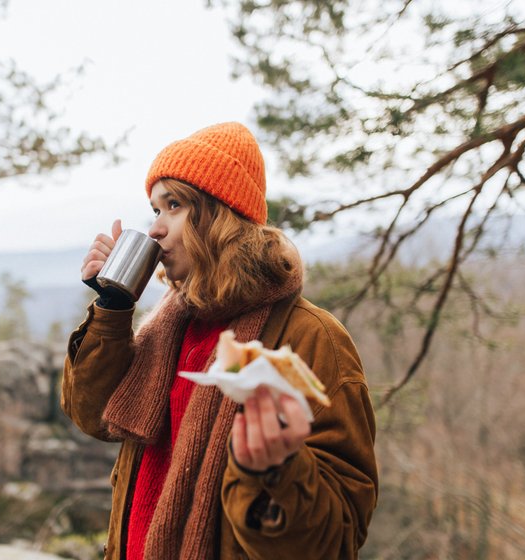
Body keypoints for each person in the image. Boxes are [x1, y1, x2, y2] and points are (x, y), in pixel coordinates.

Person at [62, 122, 378, 559]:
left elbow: (335, 538)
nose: (155, 229)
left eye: (173, 205)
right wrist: (112, 309)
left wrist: (274, 470)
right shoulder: (168, 328)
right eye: (154, 209)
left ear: (221, 216)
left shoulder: (312, 339)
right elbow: (93, 415)